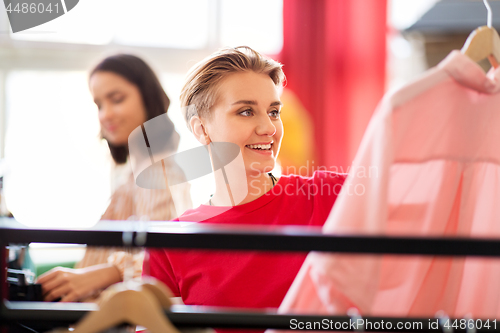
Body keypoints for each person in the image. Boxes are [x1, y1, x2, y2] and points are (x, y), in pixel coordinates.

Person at [146, 47, 346, 316]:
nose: (269, 128)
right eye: (246, 112)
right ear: (202, 129)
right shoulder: (169, 246)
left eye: (273, 112)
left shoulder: (329, 197)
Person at [37, 54, 191, 303]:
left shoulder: (156, 172)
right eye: (99, 104)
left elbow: (167, 261)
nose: (105, 114)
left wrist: (102, 274)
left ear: (148, 97)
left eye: (116, 99)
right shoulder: (135, 173)